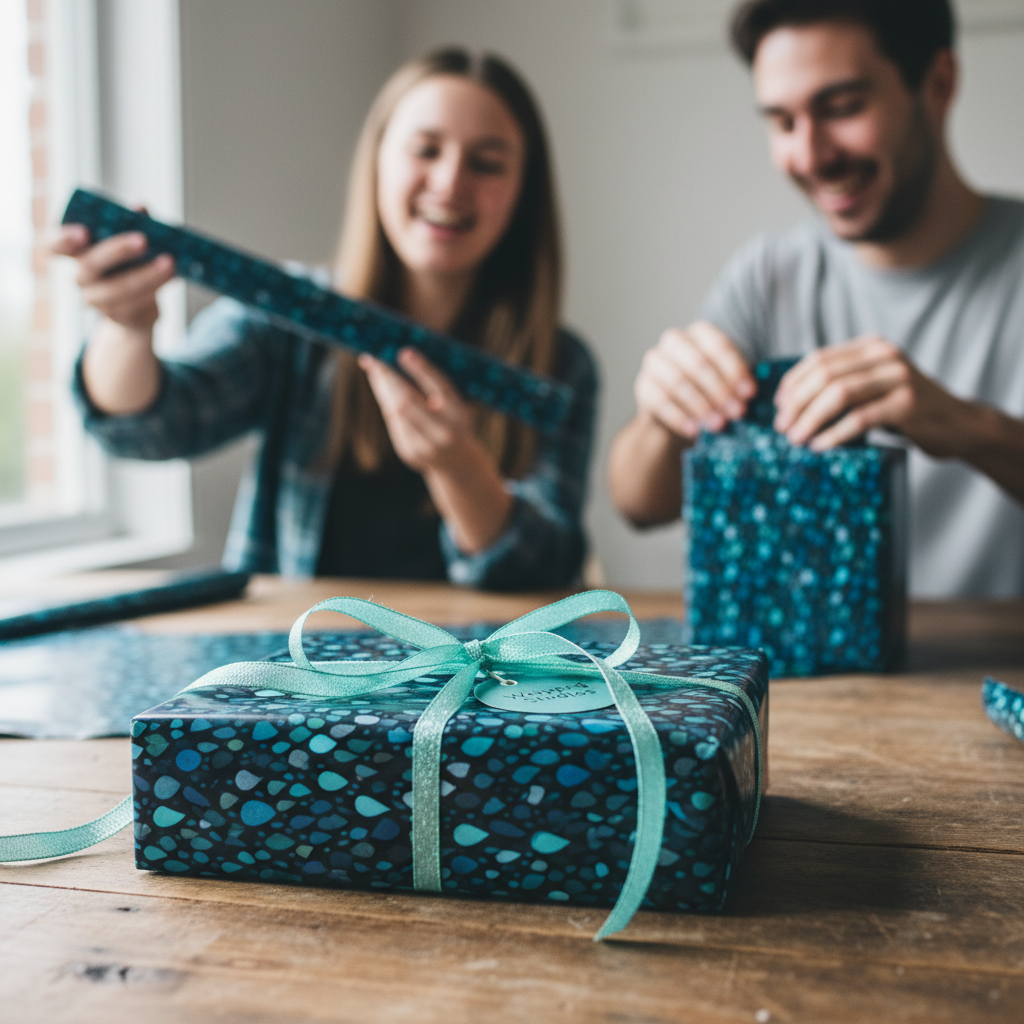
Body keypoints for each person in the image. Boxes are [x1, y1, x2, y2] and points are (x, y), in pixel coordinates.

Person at [53, 49, 597, 589]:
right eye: (425, 150)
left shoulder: (560, 368)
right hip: (293, 667)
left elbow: (547, 574)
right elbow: (155, 428)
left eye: (487, 163)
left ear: (525, 191)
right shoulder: (287, 320)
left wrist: (459, 468)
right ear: (378, 162)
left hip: (479, 670)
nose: (451, 182)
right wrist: (126, 328)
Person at [608, 0, 1024, 597]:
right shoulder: (767, 276)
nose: (809, 156)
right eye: (782, 122)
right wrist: (660, 416)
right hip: (823, 681)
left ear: (939, 84)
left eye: (843, 108)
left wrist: (971, 427)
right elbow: (638, 503)